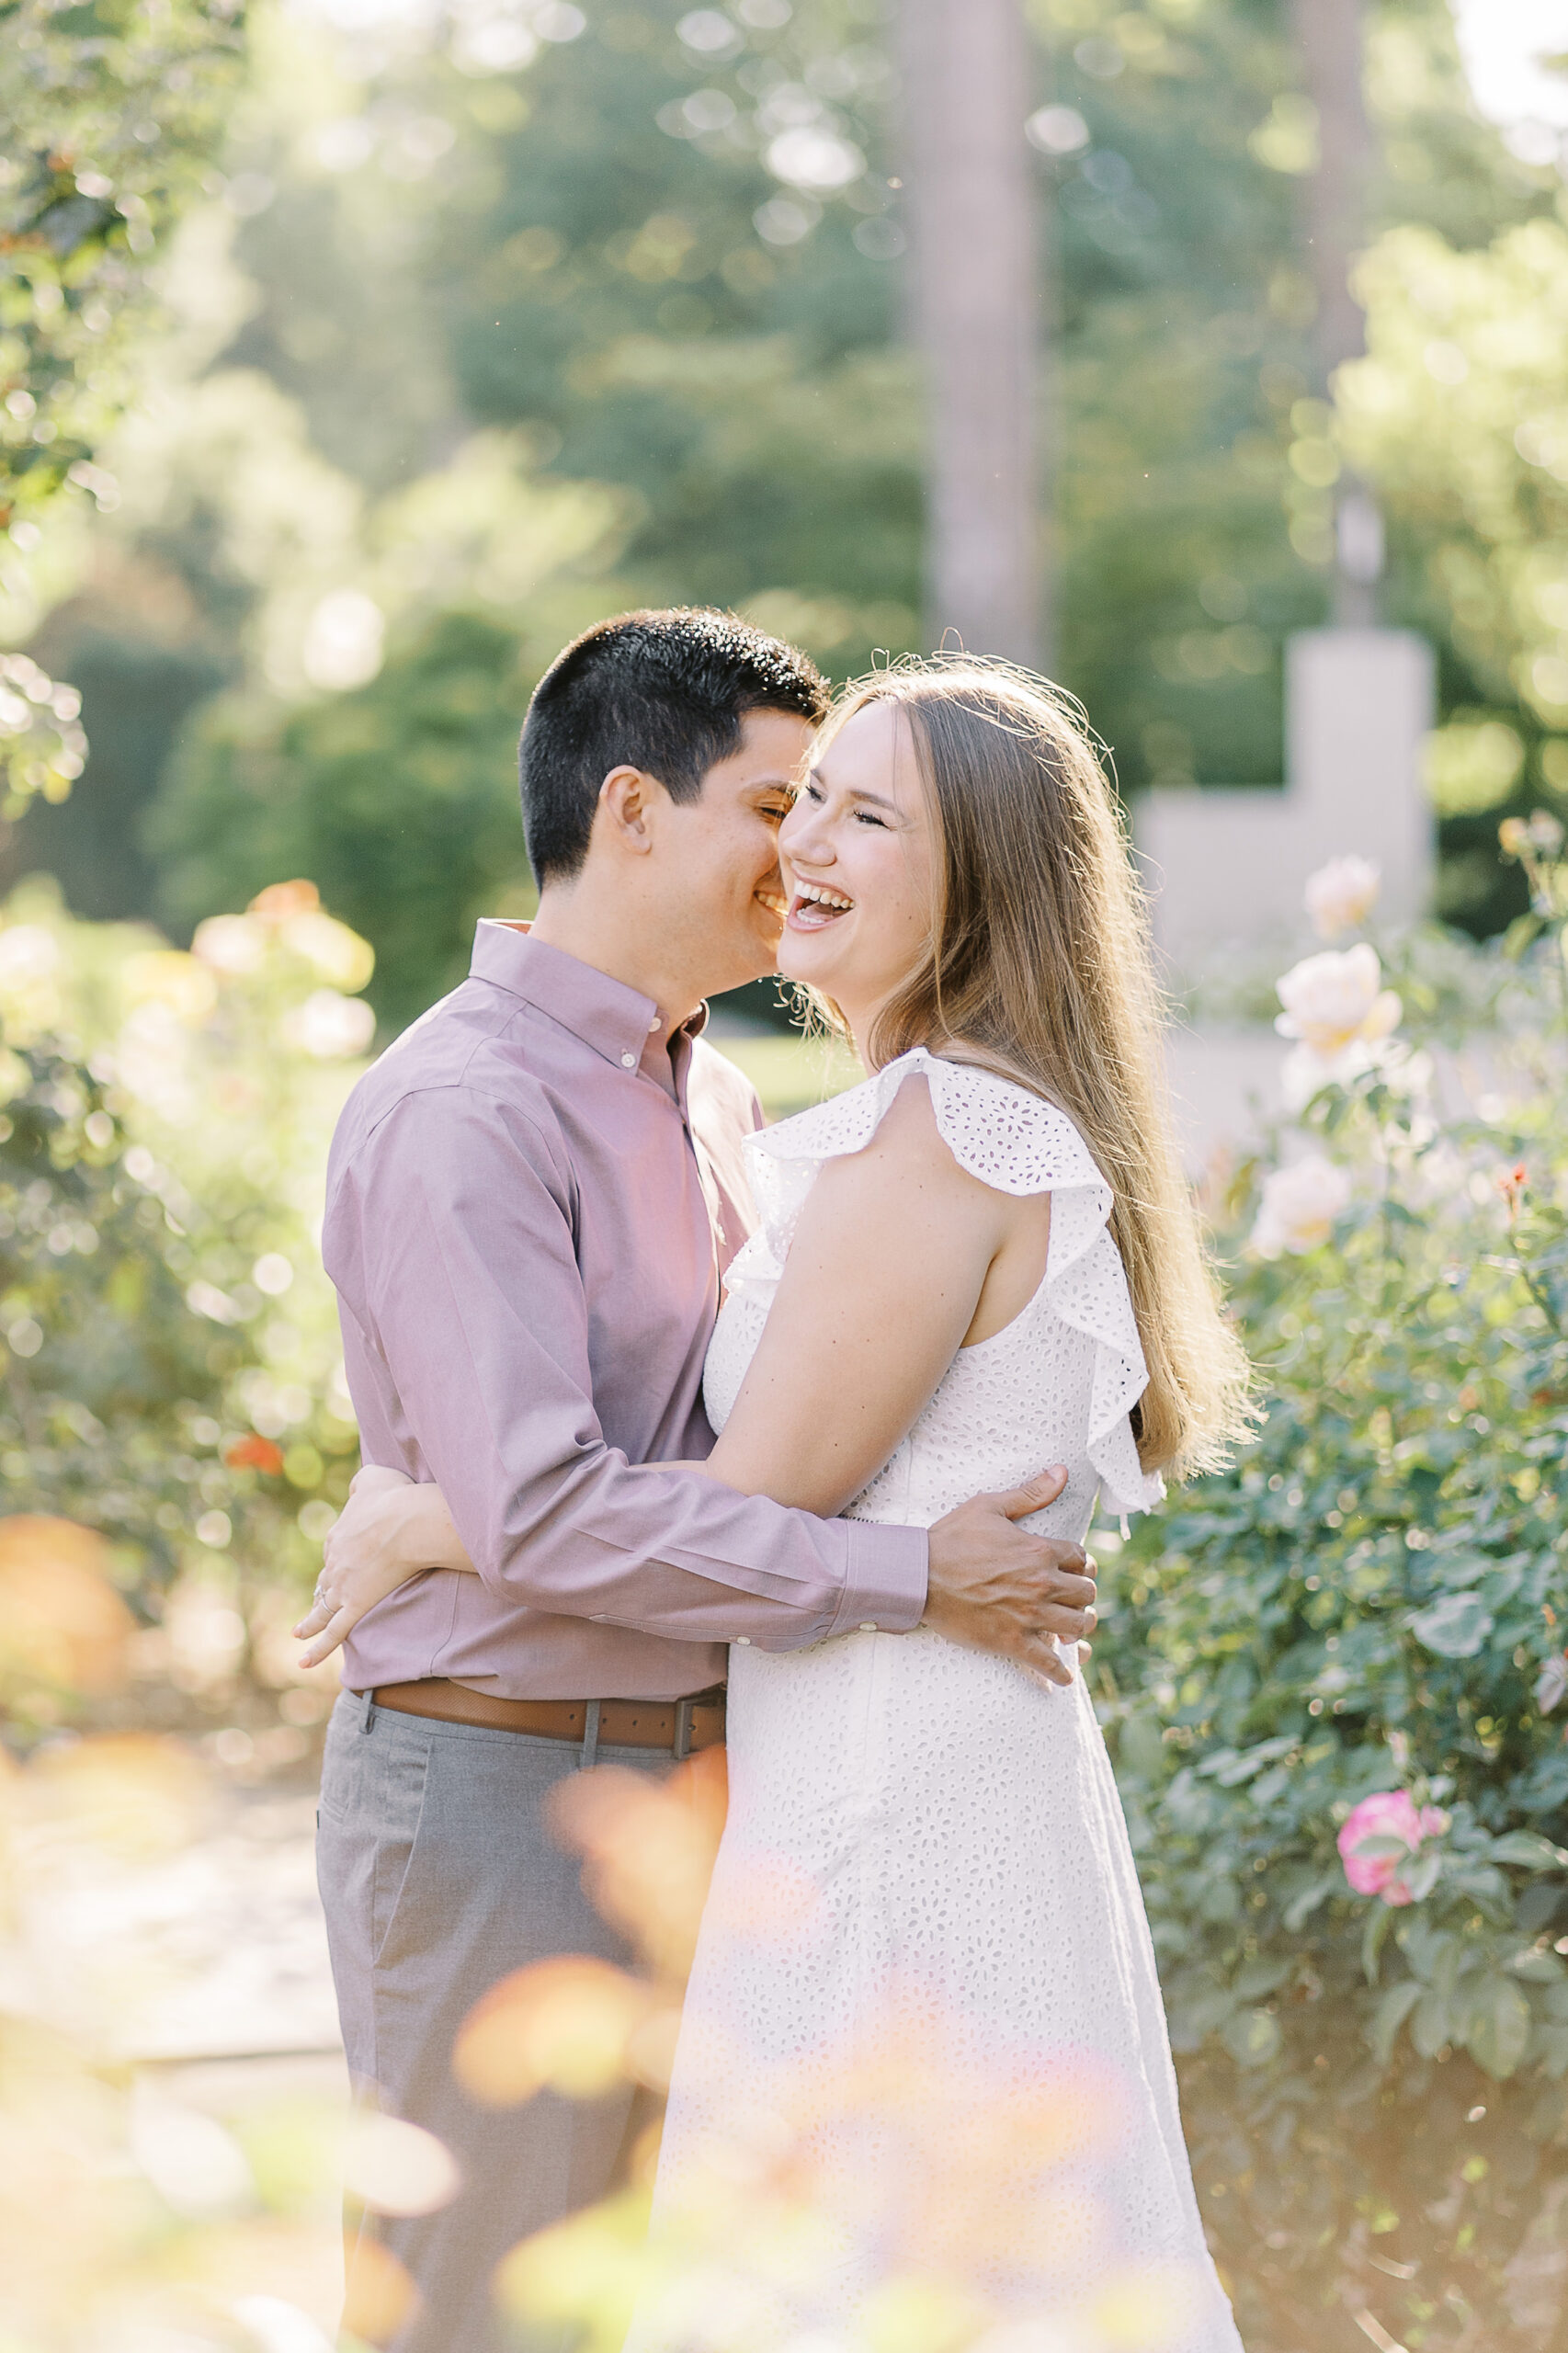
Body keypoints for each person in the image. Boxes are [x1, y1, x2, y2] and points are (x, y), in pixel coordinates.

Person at [301, 614, 1102, 2353]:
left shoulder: (724, 1098)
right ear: (633, 812)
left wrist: (446, 1515)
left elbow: (702, 1460)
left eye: (835, 810)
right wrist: (911, 1578)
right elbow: (554, 1511)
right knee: (485, 2310)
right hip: (507, 1789)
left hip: (735, 1792)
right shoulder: (461, 1112)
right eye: (774, 802)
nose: (803, 848)